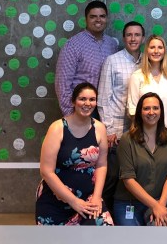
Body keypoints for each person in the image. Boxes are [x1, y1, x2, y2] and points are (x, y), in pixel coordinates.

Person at [36, 83, 113, 225]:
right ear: (73, 101)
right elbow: (46, 171)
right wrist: (74, 201)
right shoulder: (57, 128)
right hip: (56, 200)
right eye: (82, 99)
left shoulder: (100, 128)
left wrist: (97, 197)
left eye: (92, 99)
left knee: (105, 231)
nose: (87, 103)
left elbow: (101, 165)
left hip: (89, 199)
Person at [97, 21, 145, 205]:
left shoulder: (147, 62)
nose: (133, 38)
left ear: (142, 38)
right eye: (129, 35)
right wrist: (108, 129)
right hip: (117, 129)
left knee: (134, 174)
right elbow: (103, 99)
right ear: (124, 38)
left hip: (139, 128)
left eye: (137, 35)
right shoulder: (113, 60)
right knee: (112, 175)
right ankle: (104, 213)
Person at [113, 92, 167, 226]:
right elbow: (128, 179)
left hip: (160, 200)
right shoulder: (127, 139)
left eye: (155, 108)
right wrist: (155, 205)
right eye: (146, 108)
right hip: (128, 203)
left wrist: (160, 205)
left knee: (159, 236)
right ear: (139, 112)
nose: (151, 112)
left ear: (161, 111)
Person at [55, 0, 118, 116]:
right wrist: (71, 114)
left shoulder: (112, 44)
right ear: (86, 19)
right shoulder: (73, 45)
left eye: (102, 16)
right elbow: (62, 84)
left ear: (107, 19)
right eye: (93, 17)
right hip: (82, 109)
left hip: (107, 110)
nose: (98, 20)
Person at [127, 35, 167, 131]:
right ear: (147, 50)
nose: (156, 51)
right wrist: (143, 131)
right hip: (144, 133)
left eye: (160, 47)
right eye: (152, 47)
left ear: (164, 51)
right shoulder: (137, 76)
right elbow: (133, 108)